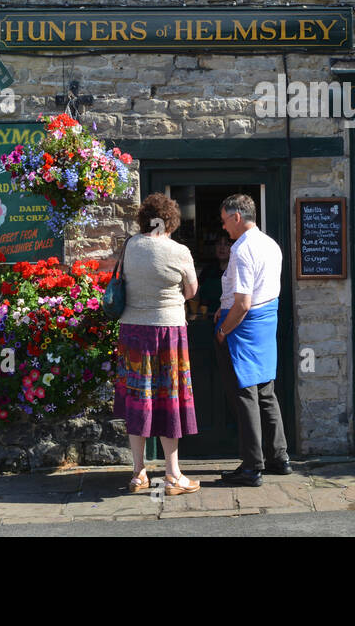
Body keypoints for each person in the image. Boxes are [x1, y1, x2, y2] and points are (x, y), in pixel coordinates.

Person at [114, 193, 201, 495]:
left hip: (133, 332)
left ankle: (138, 474)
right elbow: (191, 291)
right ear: (171, 221)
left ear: (143, 218)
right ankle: (173, 475)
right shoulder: (179, 251)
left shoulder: (129, 246)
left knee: (137, 400)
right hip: (168, 333)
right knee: (169, 401)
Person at [215, 194, 290, 487]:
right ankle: (279, 457)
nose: (224, 228)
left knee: (245, 395)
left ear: (236, 217)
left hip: (244, 327)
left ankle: (252, 466)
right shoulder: (270, 243)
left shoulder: (242, 249)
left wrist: (223, 330)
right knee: (265, 391)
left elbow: (243, 302)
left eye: (224, 221)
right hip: (266, 322)